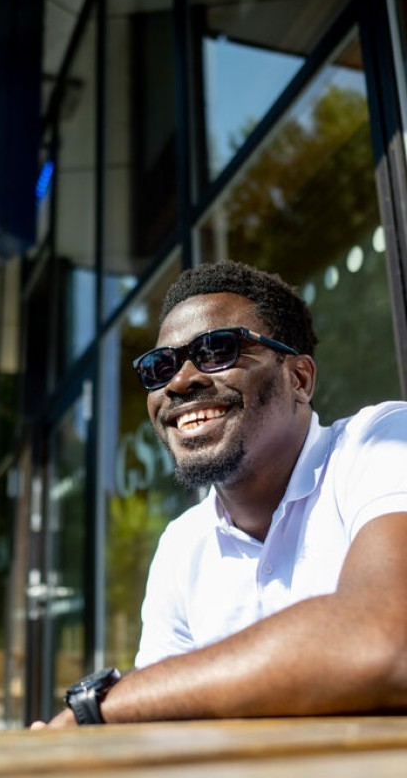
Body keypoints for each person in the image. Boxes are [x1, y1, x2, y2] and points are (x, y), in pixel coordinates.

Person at [32, 259, 407, 729]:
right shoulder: (180, 544)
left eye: (217, 349)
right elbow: (160, 727)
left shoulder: (382, 441)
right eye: (159, 366)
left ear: (300, 379)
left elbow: (386, 640)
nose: (178, 381)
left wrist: (104, 705)